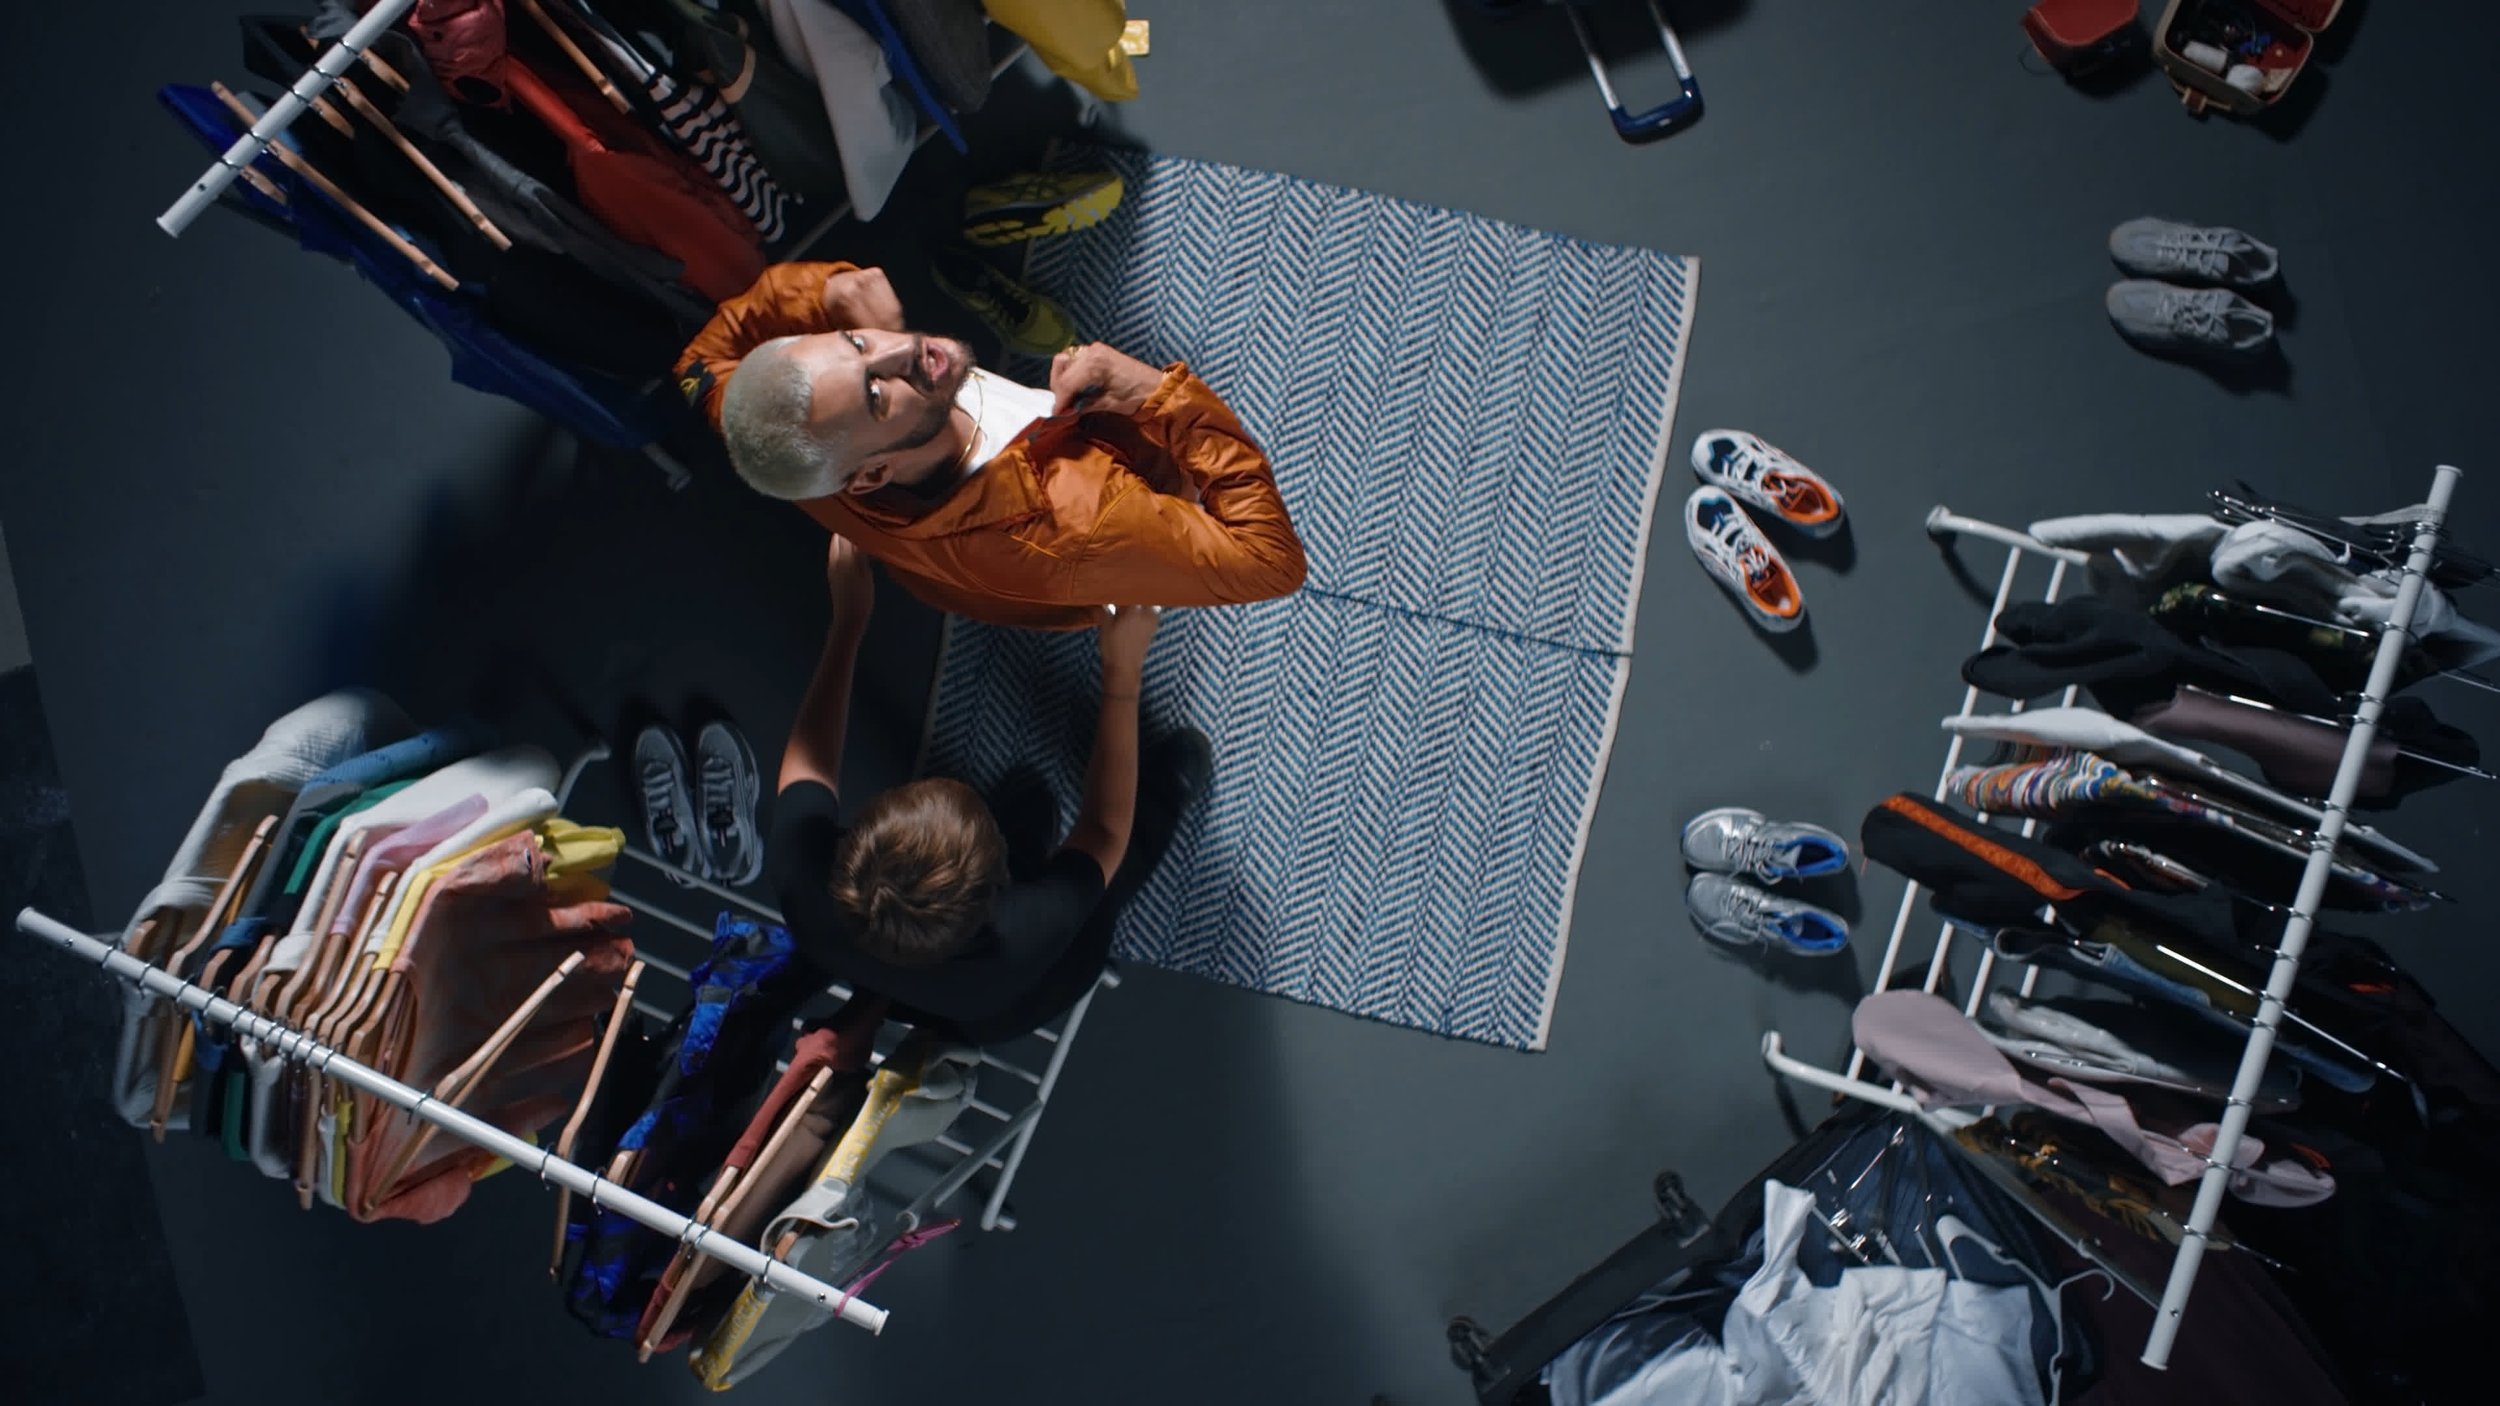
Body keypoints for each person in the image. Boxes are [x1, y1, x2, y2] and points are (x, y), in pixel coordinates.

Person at [676, 261, 1307, 631]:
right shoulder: (1079, 521)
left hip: (943, 569)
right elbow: (1271, 566)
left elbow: (699, 363)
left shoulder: (785, 442)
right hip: (1109, 530)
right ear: (871, 475)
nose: (904, 347)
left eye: (854, 341)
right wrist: (1155, 397)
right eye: (875, 393)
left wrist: (823, 291)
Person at [770, 535, 1211, 1044]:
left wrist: (848, 619)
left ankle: (1024, 823)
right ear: (997, 888)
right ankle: (1163, 797)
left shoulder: (800, 877)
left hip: (899, 974)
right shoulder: (1024, 933)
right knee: (1106, 885)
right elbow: (1104, 830)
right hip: (1005, 1000)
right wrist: (1122, 674)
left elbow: (809, 766)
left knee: (1029, 809)